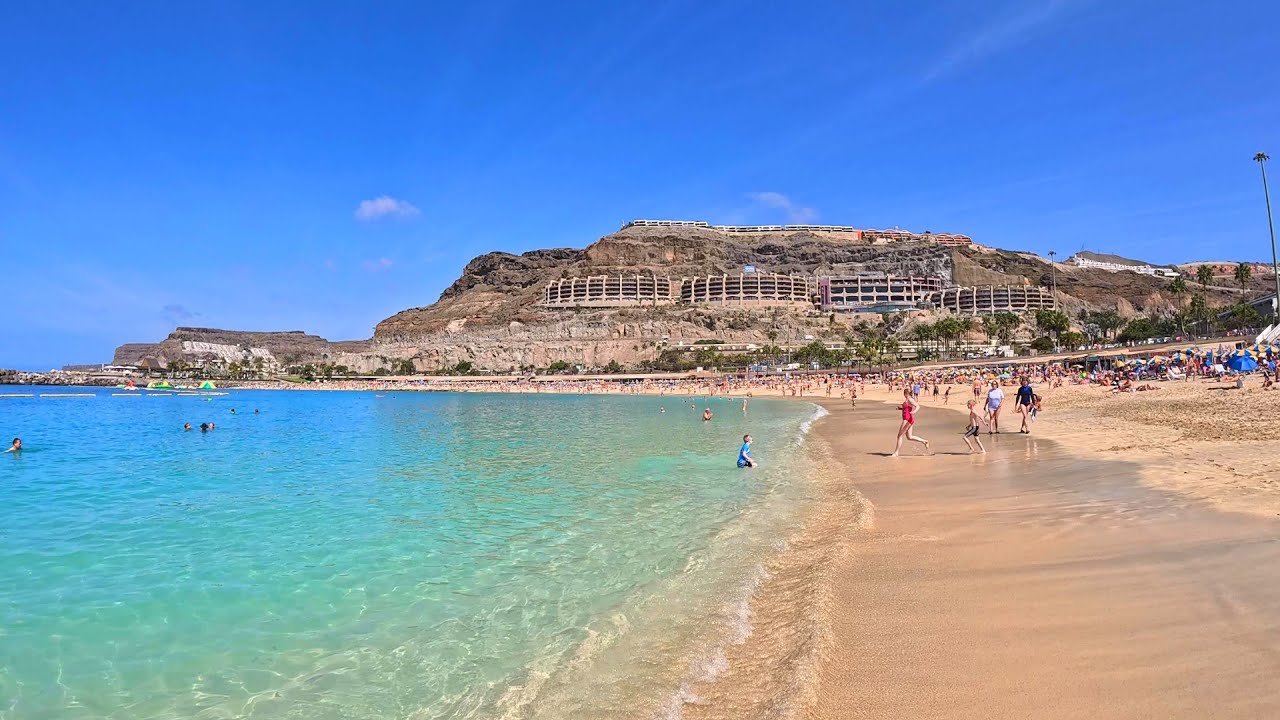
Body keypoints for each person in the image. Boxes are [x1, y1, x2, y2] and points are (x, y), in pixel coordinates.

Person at [891, 388, 930, 457]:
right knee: (909, 437)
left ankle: (896, 452)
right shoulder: (907, 400)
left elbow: (918, 406)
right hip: (909, 419)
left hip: (907, 419)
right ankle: (924, 441)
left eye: (904, 393)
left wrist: (914, 412)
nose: (904, 395)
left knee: (899, 436)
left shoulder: (910, 399)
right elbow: (907, 408)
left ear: (906, 393)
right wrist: (900, 408)